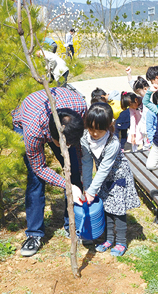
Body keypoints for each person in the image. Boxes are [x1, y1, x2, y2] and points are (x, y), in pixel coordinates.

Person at [11, 87, 86, 257]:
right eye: (63, 144)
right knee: (35, 180)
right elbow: (39, 168)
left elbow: (79, 149)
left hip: (59, 115)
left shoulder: (80, 107)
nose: (67, 148)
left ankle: (72, 225)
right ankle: (34, 234)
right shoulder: (33, 131)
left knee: (73, 169)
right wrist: (65, 185)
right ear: (51, 138)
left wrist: (78, 176)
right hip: (26, 120)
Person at [80, 103, 140, 257]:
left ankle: (120, 242)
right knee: (106, 207)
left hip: (118, 177)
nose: (94, 134)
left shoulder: (112, 143)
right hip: (103, 178)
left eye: (99, 130)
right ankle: (108, 239)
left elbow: (105, 167)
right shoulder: (85, 139)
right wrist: (87, 187)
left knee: (118, 211)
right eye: (91, 129)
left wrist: (93, 190)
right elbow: (87, 162)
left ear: (108, 126)